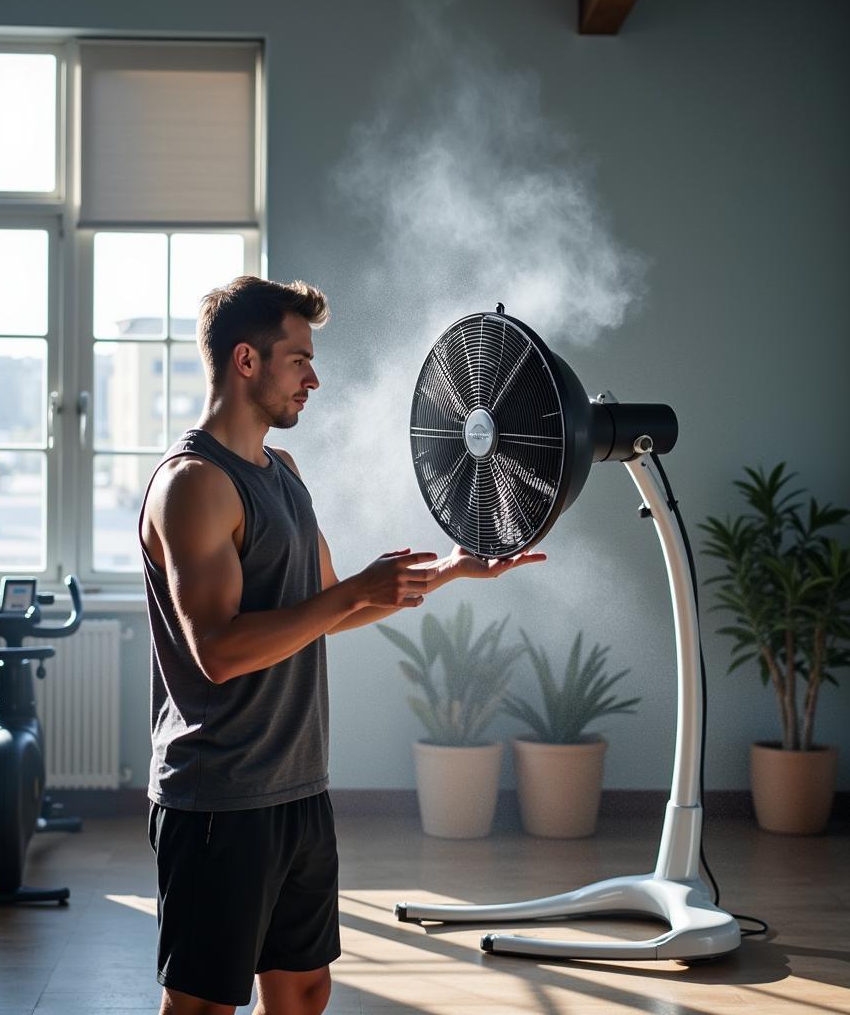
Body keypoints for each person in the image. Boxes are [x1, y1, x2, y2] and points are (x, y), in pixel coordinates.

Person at [138, 275, 545, 1015]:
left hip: (296, 787)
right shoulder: (194, 484)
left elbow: (324, 608)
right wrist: (353, 590)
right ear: (246, 362)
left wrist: (449, 570)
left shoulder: (283, 474)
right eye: (299, 359)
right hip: (218, 800)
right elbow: (219, 652)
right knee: (202, 1005)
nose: (314, 378)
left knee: (304, 989)